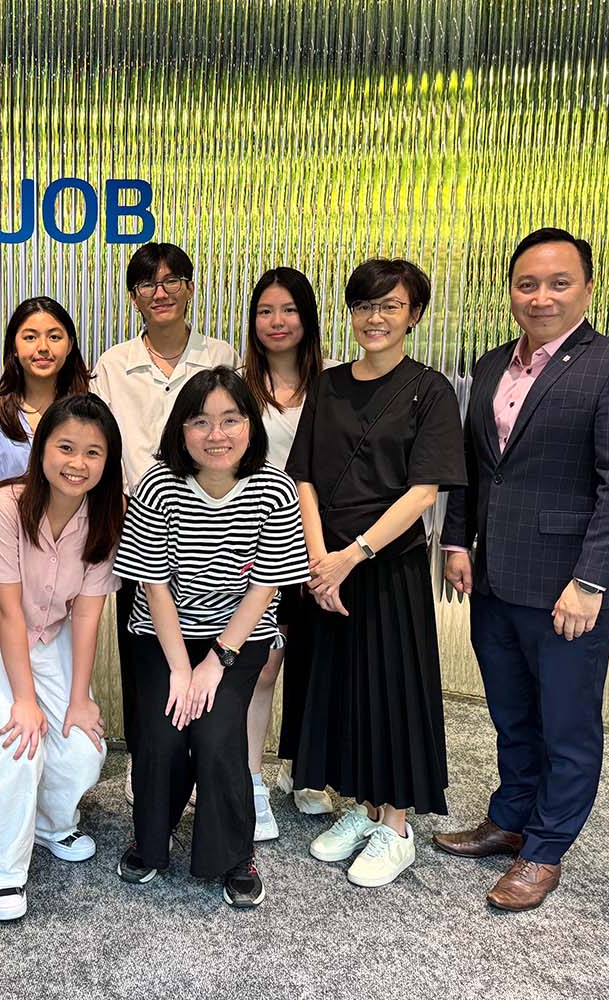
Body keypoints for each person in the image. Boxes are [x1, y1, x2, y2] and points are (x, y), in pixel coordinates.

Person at [436, 228, 609, 911]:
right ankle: (509, 821)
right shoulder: (492, 362)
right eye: (527, 284)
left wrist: (590, 580)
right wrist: (456, 541)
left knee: (566, 719)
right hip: (495, 576)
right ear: (510, 291)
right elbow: (473, 466)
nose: (541, 297)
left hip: (568, 586)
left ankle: (546, 847)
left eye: (559, 283)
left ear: (588, 288)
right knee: (511, 713)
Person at [287, 259, 466, 889]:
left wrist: (351, 555)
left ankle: (396, 824)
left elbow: (424, 493)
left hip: (386, 567)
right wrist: (318, 560)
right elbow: (303, 474)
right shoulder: (329, 385)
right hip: (326, 568)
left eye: (391, 305)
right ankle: (361, 808)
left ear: (414, 314)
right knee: (343, 693)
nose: (376, 317)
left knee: (393, 693)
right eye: (364, 305)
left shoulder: (429, 389)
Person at [112, 367, 309, 909]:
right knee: (164, 729)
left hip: (237, 639)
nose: (216, 434)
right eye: (201, 421)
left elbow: (265, 587)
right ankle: (150, 841)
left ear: (250, 426)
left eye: (230, 419)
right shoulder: (157, 486)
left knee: (218, 734)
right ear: (181, 429)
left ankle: (232, 854)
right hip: (163, 636)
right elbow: (153, 586)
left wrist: (216, 661)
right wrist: (181, 667)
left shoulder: (275, 487)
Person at [0, 394, 126, 920]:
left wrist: (78, 700)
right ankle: (3, 869)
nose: (78, 463)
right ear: (41, 448)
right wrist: (26, 700)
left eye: (93, 453)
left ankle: (48, 823)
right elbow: (5, 613)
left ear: (108, 461)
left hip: (50, 629)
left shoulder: (105, 516)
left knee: (82, 746)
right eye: (65, 447)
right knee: (18, 744)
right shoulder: (4, 507)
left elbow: (89, 615)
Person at [92, 242, 240, 796]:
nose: (161, 292)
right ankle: (147, 754)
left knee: (209, 647)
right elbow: (101, 447)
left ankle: (207, 758)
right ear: (134, 297)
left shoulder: (220, 355)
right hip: (142, 525)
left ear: (190, 288)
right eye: (148, 284)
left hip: (218, 523)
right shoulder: (112, 364)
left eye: (172, 280)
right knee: (144, 649)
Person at [239, 266, 337, 842]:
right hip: (252, 543)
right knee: (263, 666)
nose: (277, 322)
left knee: (318, 662)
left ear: (307, 318)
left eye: (289, 310)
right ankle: (250, 777)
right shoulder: (236, 386)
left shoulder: (335, 385)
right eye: (266, 311)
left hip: (320, 542)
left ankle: (309, 769)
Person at [0, 296, 92, 527]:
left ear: (69, 345)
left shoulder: (89, 414)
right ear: (14, 347)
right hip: (0, 549)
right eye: (30, 337)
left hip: (72, 551)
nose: (43, 348)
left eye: (54, 337)